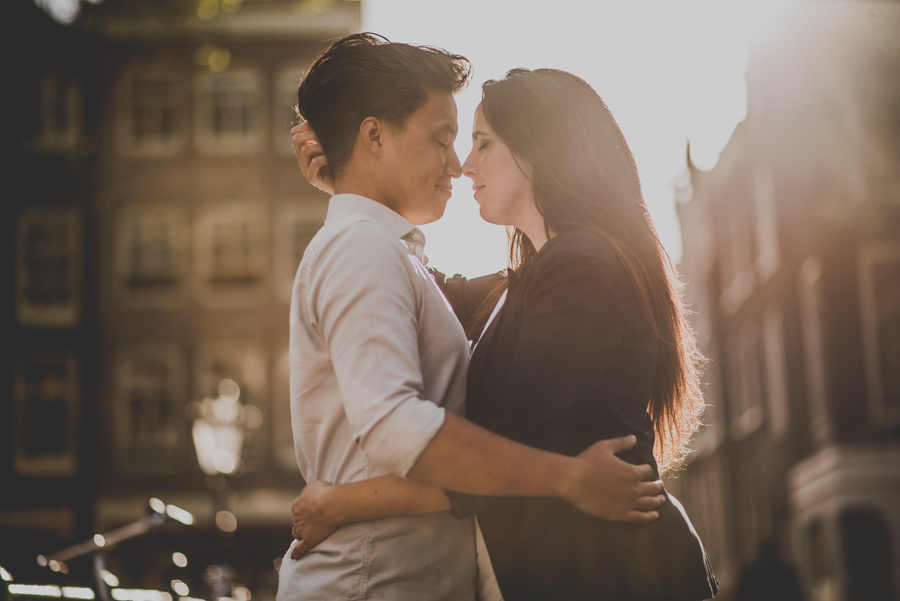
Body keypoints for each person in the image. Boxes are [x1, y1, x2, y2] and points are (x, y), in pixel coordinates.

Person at [289, 66, 720, 601]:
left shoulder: (582, 266)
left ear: (539, 147)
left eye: (482, 144)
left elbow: (511, 453)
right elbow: (417, 284)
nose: (465, 166)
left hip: (615, 571)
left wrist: (344, 503)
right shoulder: (536, 277)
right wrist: (351, 182)